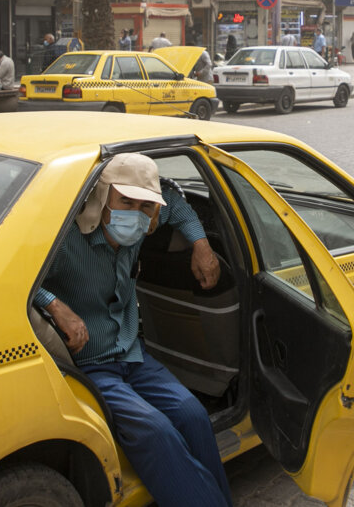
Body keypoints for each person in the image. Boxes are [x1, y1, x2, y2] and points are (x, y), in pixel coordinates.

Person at [34, 154, 232, 507]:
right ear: (102, 198)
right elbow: (18, 279)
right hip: (90, 365)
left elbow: (177, 205)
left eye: (145, 206)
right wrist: (55, 304)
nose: (135, 213)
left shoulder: (142, 223)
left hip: (131, 353)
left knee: (192, 414)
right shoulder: (64, 240)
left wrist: (202, 246)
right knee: (155, 430)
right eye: (125, 201)